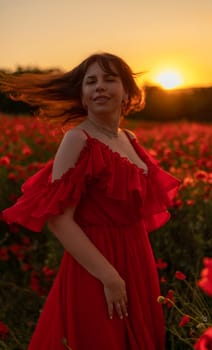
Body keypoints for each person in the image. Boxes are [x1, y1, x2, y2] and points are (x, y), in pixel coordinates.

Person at [1, 52, 180, 350]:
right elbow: (59, 220)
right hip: (96, 264)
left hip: (137, 257)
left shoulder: (130, 138)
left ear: (126, 92)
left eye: (109, 80)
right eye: (91, 82)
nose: (99, 87)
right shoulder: (77, 139)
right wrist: (109, 276)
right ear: (83, 96)